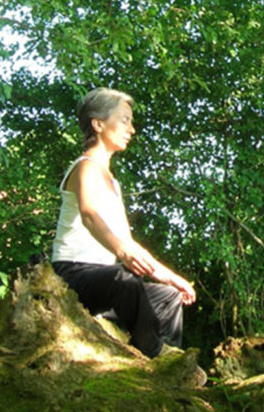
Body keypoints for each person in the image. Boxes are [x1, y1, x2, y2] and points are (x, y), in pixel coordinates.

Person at [51, 87, 196, 358]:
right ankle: (155, 355)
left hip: (105, 283)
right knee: (124, 279)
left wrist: (172, 278)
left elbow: (128, 244)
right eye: (125, 120)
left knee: (168, 296)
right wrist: (121, 252)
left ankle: (173, 364)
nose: (132, 129)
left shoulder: (113, 184)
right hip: (72, 275)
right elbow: (89, 215)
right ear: (98, 124)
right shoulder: (85, 166)